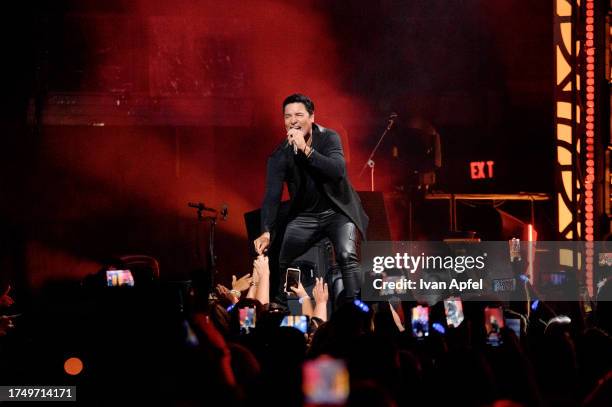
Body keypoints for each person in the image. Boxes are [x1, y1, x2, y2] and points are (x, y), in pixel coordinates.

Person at [253, 93, 368, 303]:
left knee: (345, 255)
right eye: (288, 117)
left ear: (312, 117)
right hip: (306, 217)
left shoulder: (329, 137)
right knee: (283, 259)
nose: (293, 121)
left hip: (338, 212)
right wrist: (266, 231)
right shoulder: (280, 155)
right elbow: (271, 196)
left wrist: (306, 150)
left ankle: (356, 311)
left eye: (299, 115)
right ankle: (283, 308)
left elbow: (337, 170)